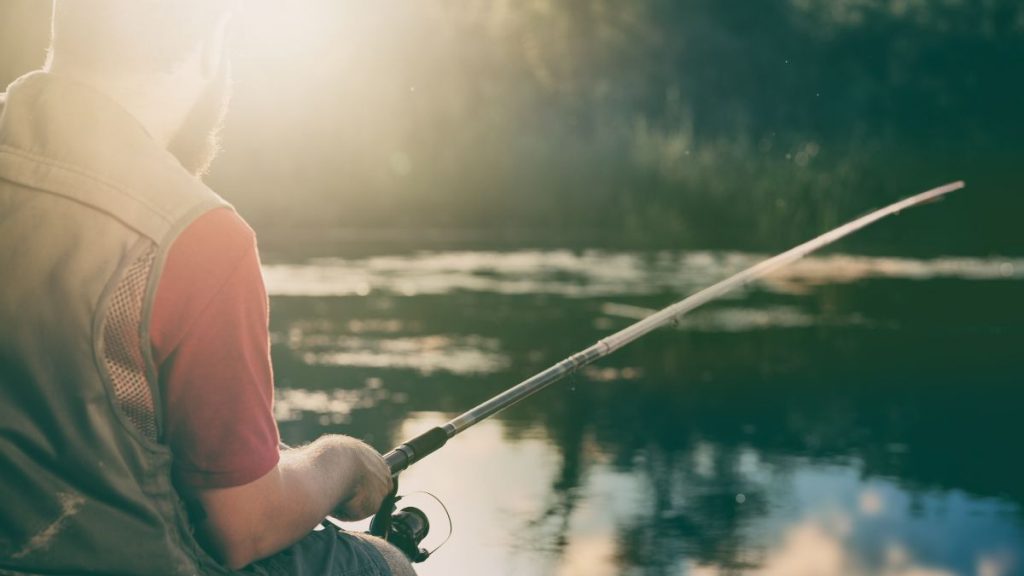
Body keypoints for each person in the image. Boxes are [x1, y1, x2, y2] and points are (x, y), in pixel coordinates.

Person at [0, 1, 415, 574]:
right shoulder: (195, 234)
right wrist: (340, 461)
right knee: (382, 564)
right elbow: (242, 528)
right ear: (210, 45)